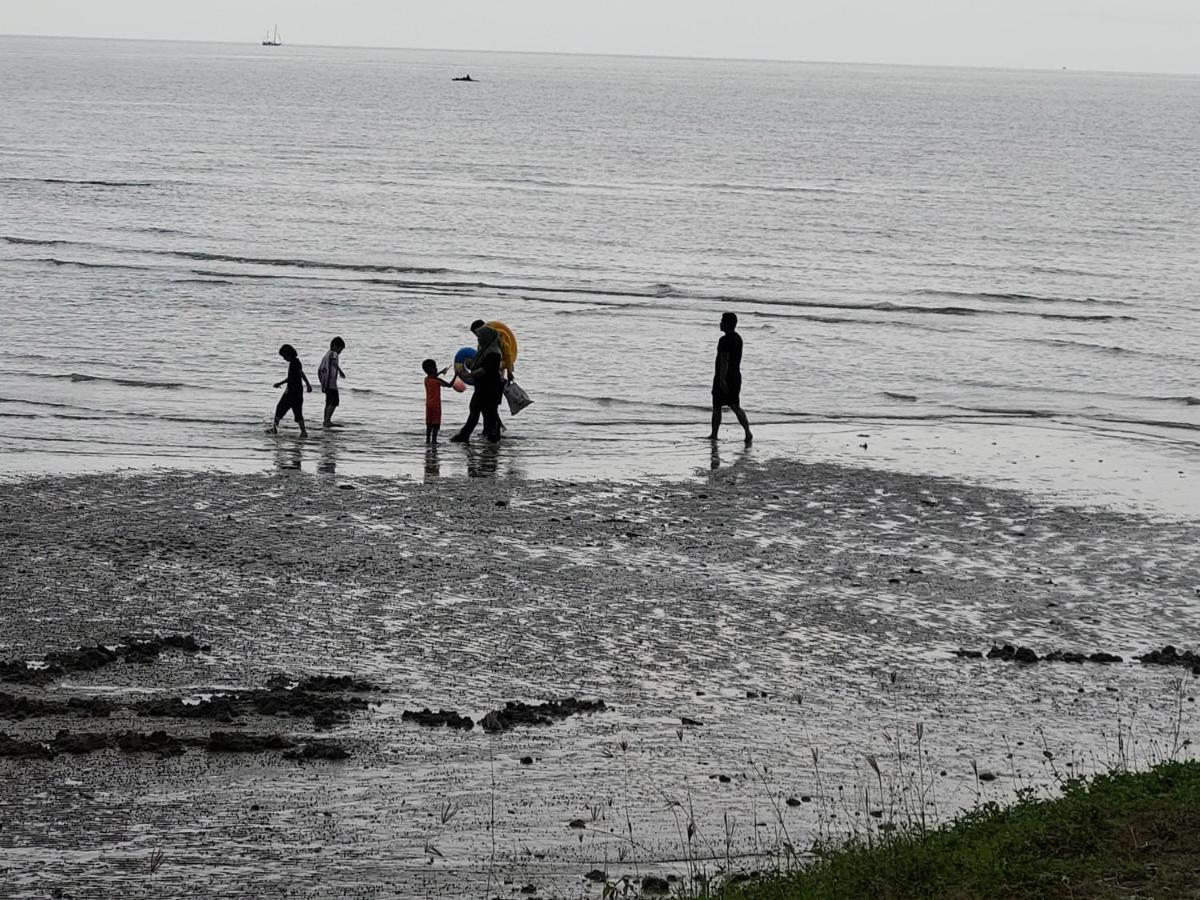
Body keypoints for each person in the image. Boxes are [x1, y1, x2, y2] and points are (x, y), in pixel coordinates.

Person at [449, 320, 505, 443]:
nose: (478, 339)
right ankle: (485, 436)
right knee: (479, 409)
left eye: (480, 336)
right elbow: (477, 364)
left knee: (486, 411)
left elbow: (485, 370)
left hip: (490, 387)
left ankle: (489, 437)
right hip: (483, 386)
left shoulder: (493, 352)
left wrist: (468, 374)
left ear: (487, 336)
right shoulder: (485, 350)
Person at [708, 312, 752, 444]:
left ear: (727, 324)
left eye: (722, 321)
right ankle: (747, 432)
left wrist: (722, 379)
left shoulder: (724, 340)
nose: (720, 323)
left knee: (717, 406)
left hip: (725, 376)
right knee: (735, 405)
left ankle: (714, 434)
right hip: (736, 376)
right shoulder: (738, 338)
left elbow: (724, 360)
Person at [272, 344, 312, 437]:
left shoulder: (295, 363)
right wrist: (280, 383)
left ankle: (275, 429)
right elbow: (291, 377)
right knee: (298, 412)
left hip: (292, 392)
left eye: (284, 356)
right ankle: (303, 432)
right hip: (297, 392)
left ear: (288, 354)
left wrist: (308, 384)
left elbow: (301, 373)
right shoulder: (295, 362)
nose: (284, 359)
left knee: (280, 408)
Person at [422, 358, 456, 444]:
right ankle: (434, 441)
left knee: (429, 425)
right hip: (436, 406)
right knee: (436, 425)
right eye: (435, 367)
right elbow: (449, 385)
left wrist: (441, 372)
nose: (436, 368)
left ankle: (428, 441)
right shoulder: (437, 381)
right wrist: (456, 375)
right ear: (431, 369)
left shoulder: (426, 379)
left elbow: (433, 377)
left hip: (428, 406)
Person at [317, 337, 347, 428]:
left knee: (328, 402)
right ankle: (327, 420)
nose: (340, 352)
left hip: (326, 382)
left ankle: (325, 420)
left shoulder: (326, 355)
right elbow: (334, 363)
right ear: (335, 346)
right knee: (334, 401)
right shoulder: (333, 353)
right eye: (340, 349)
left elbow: (320, 370)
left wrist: (322, 383)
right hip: (331, 383)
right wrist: (340, 371)